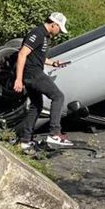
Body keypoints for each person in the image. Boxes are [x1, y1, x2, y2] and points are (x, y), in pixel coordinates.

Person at [14, 12, 73, 151]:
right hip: (33, 74)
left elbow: (37, 57)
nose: (59, 33)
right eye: (59, 29)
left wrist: (54, 64)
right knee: (58, 96)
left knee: (36, 105)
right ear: (54, 24)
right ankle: (54, 133)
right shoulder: (38, 33)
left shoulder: (45, 36)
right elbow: (22, 54)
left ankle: (25, 140)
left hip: (33, 73)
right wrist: (18, 79)